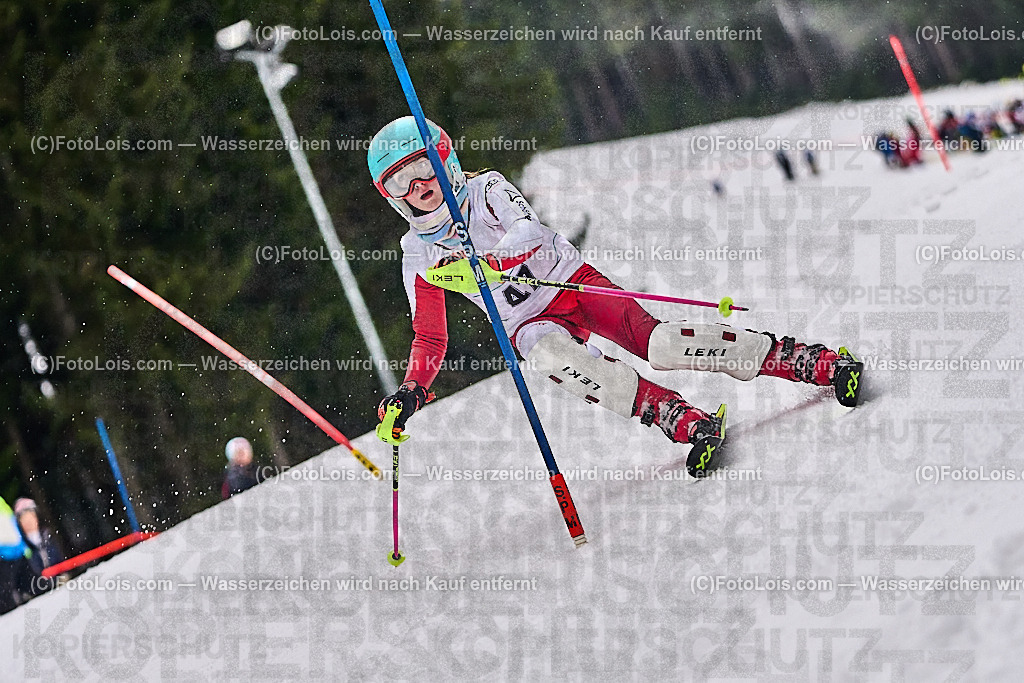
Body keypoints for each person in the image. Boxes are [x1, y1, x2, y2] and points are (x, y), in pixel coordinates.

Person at [366, 117, 863, 474]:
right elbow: (430, 338)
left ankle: (804, 361)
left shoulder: (486, 189)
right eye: (401, 182)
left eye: (424, 168)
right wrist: (413, 390)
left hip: (572, 284)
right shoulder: (419, 255)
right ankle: (677, 417)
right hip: (529, 322)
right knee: (550, 356)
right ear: (392, 198)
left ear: (446, 160)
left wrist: (490, 263)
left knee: (662, 345)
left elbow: (529, 230)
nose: (419, 186)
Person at [12, 498, 63, 599]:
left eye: (31, 516)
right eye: (24, 518)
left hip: (58, 587)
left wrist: (62, 577)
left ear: (36, 517)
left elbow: (59, 560)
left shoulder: (48, 537)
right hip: (38, 595)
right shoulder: (21, 547)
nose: (28, 522)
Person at [0, 496, 29, 613]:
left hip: (18, 553)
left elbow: (12, 524)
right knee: (7, 600)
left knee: (35, 588)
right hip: (3, 558)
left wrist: (24, 547)